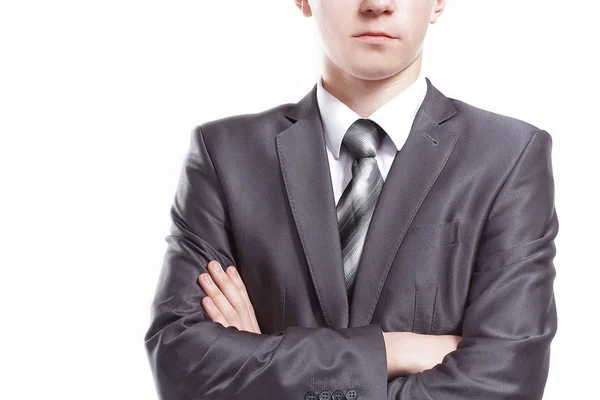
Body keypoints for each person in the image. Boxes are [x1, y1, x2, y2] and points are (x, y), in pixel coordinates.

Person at [144, 0, 558, 398]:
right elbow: (182, 366)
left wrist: (263, 367)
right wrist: (393, 351)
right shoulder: (225, 156)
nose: (377, 3)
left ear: (439, 1)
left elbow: (507, 383)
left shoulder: (509, 157)